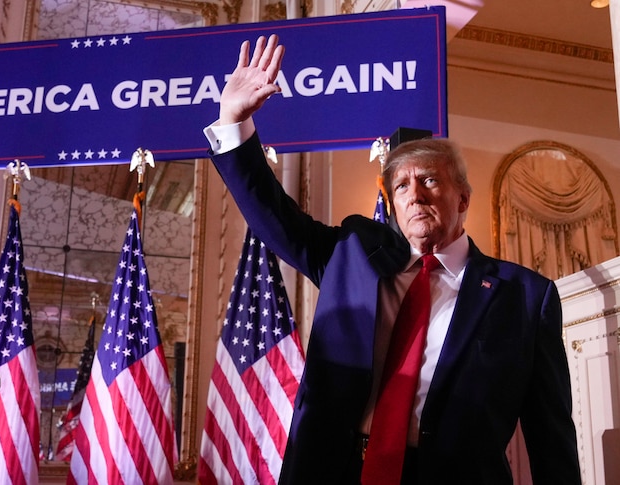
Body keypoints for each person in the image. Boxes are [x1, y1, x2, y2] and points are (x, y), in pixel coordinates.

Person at [203, 35, 581, 484]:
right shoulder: (354, 254)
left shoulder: (525, 297)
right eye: (401, 186)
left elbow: (550, 434)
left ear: (463, 197)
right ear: (393, 203)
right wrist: (233, 121)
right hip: (337, 472)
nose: (415, 194)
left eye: (429, 180)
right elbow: (275, 218)